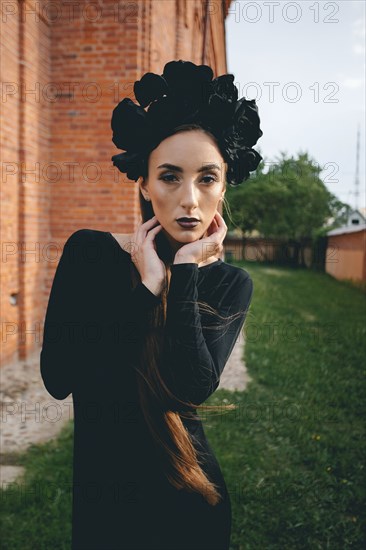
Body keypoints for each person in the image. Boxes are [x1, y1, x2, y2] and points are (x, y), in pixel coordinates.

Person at [40, 60, 263, 550]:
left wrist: (182, 274)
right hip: (104, 503)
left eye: (207, 178)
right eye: (169, 177)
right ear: (143, 183)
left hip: (191, 506)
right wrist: (145, 288)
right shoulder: (91, 254)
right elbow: (59, 377)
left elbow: (189, 388)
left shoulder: (229, 284)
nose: (189, 199)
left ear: (224, 187)